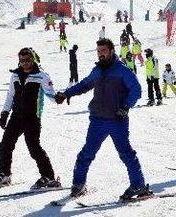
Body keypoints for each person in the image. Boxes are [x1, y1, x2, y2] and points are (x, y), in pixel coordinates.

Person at [54, 38, 150, 200]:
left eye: (104, 51)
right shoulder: (97, 71)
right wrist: (66, 93)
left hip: (117, 119)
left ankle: (138, 185)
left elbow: (136, 90)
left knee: (126, 154)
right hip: (97, 120)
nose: (101, 54)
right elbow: (83, 85)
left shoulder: (122, 71)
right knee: (86, 153)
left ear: (112, 51)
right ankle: (78, 184)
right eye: (98, 51)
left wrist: (125, 107)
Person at [0, 47, 59, 190]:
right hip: (16, 116)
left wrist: (59, 98)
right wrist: (4, 113)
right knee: (5, 145)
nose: (25, 63)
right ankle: (4, 174)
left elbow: (51, 94)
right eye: (22, 61)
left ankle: (48, 177)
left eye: (28, 60)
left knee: (34, 148)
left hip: (32, 117)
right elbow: (10, 95)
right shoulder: (15, 75)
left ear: (32, 59)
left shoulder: (41, 76)